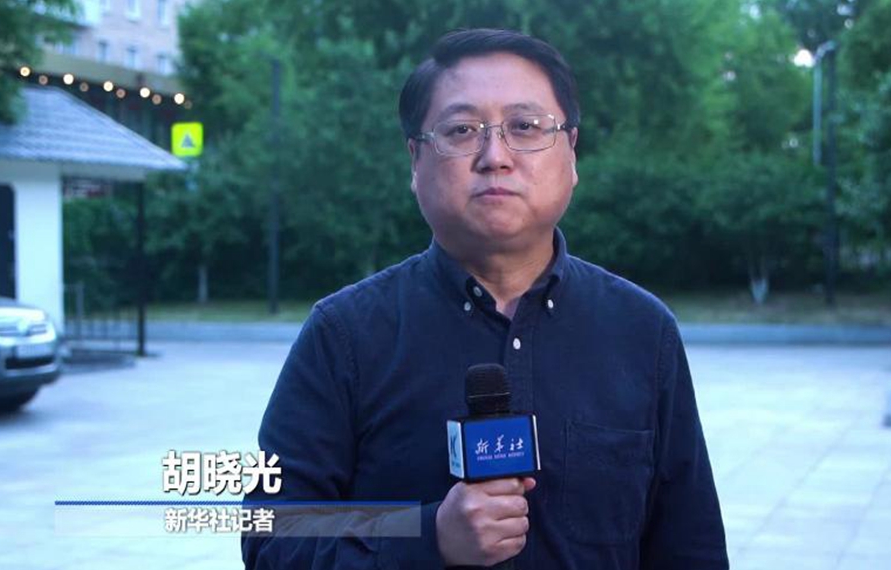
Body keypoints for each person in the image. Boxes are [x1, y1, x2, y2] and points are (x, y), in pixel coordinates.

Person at [243, 28, 727, 569]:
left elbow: (692, 546)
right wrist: (428, 535)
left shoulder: (641, 331)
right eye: (462, 130)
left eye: (525, 127)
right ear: (415, 161)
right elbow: (273, 533)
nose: (495, 157)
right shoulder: (345, 334)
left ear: (571, 152)